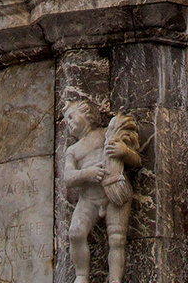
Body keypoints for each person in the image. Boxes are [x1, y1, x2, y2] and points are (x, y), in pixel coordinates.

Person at [61, 99, 141, 283]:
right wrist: (87, 173)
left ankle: (115, 279)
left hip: (114, 191)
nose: (70, 123)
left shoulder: (105, 134)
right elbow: (67, 177)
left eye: (72, 117)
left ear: (87, 114)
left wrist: (124, 152)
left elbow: (136, 162)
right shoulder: (73, 150)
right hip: (89, 198)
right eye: (66, 121)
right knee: (75, 232)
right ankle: (81, 275)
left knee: (117, 239)